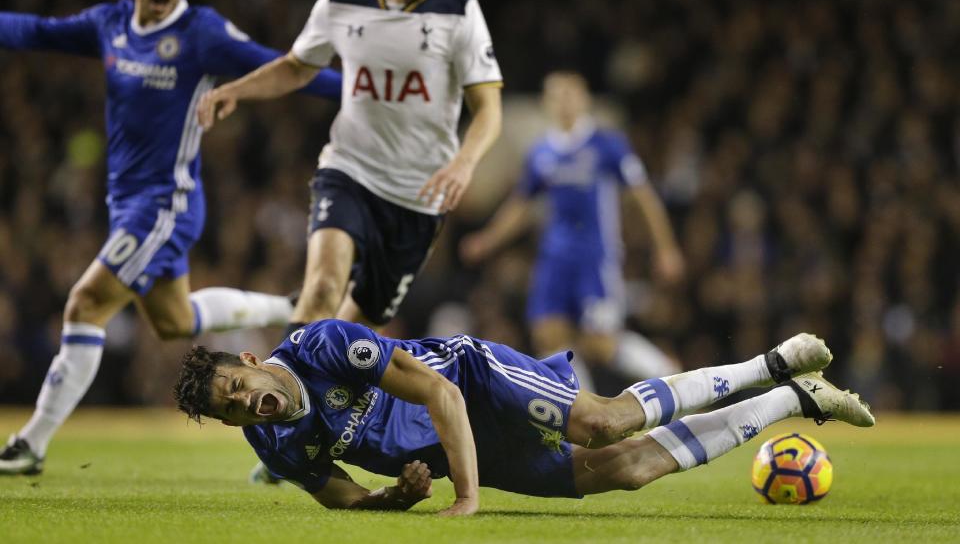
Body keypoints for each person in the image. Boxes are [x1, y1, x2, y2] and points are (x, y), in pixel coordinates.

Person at [0, 0, 342, 475]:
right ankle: (289, 307)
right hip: (126, 202)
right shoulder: (110, 24)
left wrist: (359, 92)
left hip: (166, 202)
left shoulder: (200, 33)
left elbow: (286, 67)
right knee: (173, 320)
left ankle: (32, 443)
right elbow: (37, 30)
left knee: (86, 304)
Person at [174, 322, 874, 515]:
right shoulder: (277, 445)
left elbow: (440, 396)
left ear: (250, 357)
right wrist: (395, 497)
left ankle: (769, 363)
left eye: (239, 384)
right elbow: (346, 497)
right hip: (455, 453)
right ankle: (796, 399)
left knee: (601, 423)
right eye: (231, 408)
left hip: (472, 383)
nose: (247, 401)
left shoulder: (323, 345)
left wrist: (467, 497)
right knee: (625, 470)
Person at [196, 0, 502, 336]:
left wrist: (465, 162)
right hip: (349, 171)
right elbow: (295, 67)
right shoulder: (340, 5)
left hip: (418, 197)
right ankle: (288, 392)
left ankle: (316, 388)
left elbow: (489, 108)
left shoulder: (459, 12)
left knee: (357, 326)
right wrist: (236, 91)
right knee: (322, 286)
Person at [461, 71, 685, 392]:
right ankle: (587, 412)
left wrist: (666, 247)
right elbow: (521, 205)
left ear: (584, 100)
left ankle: (669, 373)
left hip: (594, 256)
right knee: (549, 338)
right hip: (554, 256)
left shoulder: (607, 145)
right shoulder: (541, 153)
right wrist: (488, 239)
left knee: (599, 344)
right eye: (557, 95)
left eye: (570, 94)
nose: (564, 102)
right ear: (546, 103)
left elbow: (643, 196)